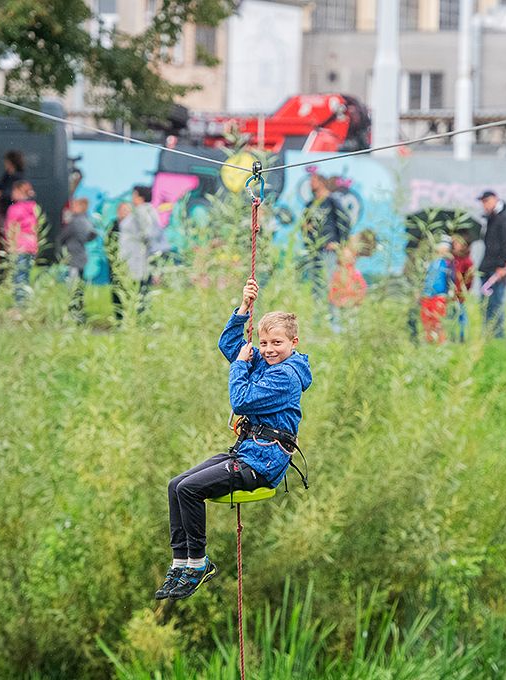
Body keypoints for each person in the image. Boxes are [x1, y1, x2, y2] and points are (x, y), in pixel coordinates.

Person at [157, 278, 312, 601]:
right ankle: (181, 561)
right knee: (176, 484)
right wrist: (243, 309)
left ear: (293, 342)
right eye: (264, 343)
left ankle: (199, 564)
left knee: (190, 490)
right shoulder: (267, 364)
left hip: (263, 464)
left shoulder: (285, 376)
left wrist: (241, 366)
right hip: (247, 452)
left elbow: (240, 400)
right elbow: (229, 345)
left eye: (277, 344)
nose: (268, 350)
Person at [300, 169, 348, 300]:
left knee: (329, 284)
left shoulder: (332, 201)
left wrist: (339, 243)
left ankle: (332, 317)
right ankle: (318, 316)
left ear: (321, 182)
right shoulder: (310, 204)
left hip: (328, 249)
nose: (310, 184)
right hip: (314, 249)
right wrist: (306, 227)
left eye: (313, 181)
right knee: (316, 285)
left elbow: (344, 220)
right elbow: (303, 224)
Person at [114, 185, 160, 320]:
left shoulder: (142, 211)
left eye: (134, 195)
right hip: (134, 258)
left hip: (136, 259)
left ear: (140, 197)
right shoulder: (144, 210)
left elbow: (148, 233)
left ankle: (139, 319)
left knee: (139, 290)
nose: (132, 198)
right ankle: (138, 318)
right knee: (139, 290)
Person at [477, 190, 506, 339]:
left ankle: (498, 337)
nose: (484, 205)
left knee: (495, 304)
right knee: (485, 304)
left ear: (495, 199)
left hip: (497, 271)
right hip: (486, 268)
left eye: (487, 201)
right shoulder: (490, 220)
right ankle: (487, 336)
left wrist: (503, 267)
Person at [58, 196, 97, 323]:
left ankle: (75, 315)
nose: (72, 208)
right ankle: (79, 314)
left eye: (74, 206)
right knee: (78, 288)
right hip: (81, 258)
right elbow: (91, 235)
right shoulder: (87, 221)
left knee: (73, 289)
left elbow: (62, 237)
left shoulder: (75, 222)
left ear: (81, 207)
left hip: (73, 258)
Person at [4, 179, 39, 307]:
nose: (12, 193)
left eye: (14, 190)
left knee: (18, 277)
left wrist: (9, 246)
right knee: (25, 277)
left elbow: (11, 229)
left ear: (19, 192)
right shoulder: (33, 208)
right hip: (31, 246)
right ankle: (27, 304)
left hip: (19, 247)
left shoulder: (14, 209)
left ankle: (20, 306)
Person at [420, 237, 453, 344]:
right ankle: (428, 339)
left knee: (438, 320)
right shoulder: (429, 261)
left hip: (440, 295)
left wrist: (450, 292)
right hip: (427, 295)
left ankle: (441, 341)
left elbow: (451, 279)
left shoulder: (448, 263)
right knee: (426, 318)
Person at [0, 150, 25, 235]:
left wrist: (0, 194)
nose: (5, 164)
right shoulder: (8, 175)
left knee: (9, 236)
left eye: (6, 162)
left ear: (10, 163)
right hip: (5, 210)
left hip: (12, 212)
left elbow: (15, 194)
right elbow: (0, 187)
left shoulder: (18, 177)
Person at [451, 235, 475, 342]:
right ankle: (452, 335)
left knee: (461, 315)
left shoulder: (467, 261)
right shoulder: (451, 259)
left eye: (457, 243)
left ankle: (462, 335)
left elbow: (469, 278)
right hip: (451, 294)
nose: (454, 245)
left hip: (460, 294)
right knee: (451, 315)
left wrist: (464, 290)